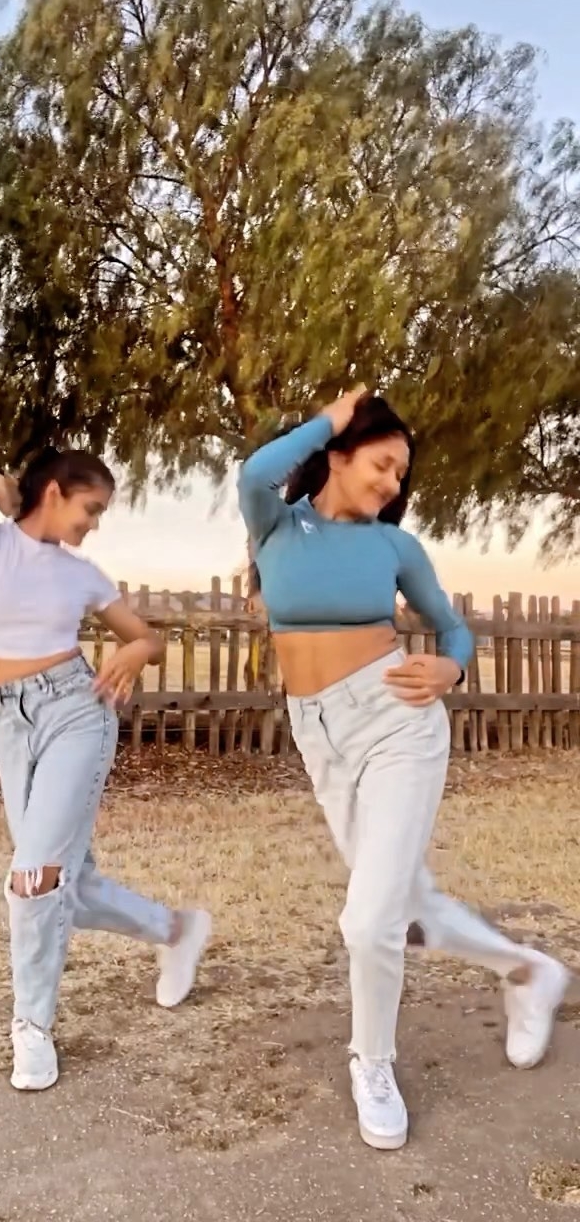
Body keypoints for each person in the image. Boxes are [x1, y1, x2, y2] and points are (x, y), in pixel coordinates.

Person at [237, 386, 569, 1152]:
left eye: (400, 474)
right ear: (338, 455)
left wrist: (451, 669)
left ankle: (373, 1063)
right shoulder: (277, 524)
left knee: (369, 919)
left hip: (397, 722)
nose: (392, 484)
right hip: (319, 730)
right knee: (400, 904)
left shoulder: (395, 547)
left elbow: (452, 630)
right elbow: (255, 473)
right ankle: (528, 972)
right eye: (382, 464)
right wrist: (331, 417)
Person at [0, 449, 211, 1092]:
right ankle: (175, 929)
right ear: (55, 492)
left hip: (75, 713)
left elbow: (147, 637)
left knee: (34, 878)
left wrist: (137, 651)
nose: (94, 523)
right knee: (62, 882)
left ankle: (31, 1026)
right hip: (8, 720)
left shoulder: (82, 574)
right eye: (91, 508)